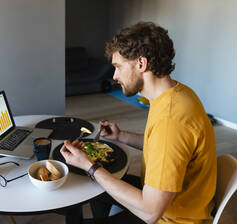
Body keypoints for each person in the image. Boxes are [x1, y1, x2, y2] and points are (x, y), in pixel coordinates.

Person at [60, 22, 217, 224]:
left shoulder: (171, 121)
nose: (114, 76)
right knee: (96, 187)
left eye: (118, 67)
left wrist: (90, 166)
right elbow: (165, 149)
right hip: (163, 199)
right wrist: (121, 136)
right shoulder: (177, 94)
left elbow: (151, 213)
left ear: (141, 64)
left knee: (94, 178)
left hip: (169, 218)